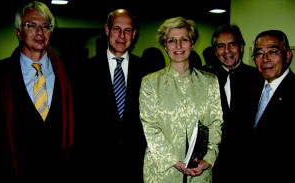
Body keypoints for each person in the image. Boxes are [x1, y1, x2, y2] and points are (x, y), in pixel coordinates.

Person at [0, 1, 75, 178]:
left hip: (61, 173)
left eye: (46, 26)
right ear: (18, 33)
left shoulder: (71, 72)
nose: (40, 32)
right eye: (31, 25)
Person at [139, 16, 223, 183]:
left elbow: (216, 122)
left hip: (200, 170)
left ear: (192, 43)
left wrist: (208, 158)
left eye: (184, 39)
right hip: (162, 170)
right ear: (165, 45)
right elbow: (150, 127)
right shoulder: (150, 82)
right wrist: (175, 161)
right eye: (172, 40)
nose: (178, 46)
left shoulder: (210, 81)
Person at [74, 9, 146, 182]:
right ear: (107, 29)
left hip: (135, 166)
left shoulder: (147, 71)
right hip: (96, 167)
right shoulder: (84, 71)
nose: (122, 35)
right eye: (116, 29)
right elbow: (79, 123)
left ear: (134, 34)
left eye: (127, 30)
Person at [202, 24, 263, 183]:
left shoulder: (258, 79)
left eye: (232, 44)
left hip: (249, 163)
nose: (227, 51)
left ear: (241, 47)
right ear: (215, 51)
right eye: (221, 46)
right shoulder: (204, 79)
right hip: (213, 163)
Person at [249, 30, 295, 183]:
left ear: (288, 55)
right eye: (259, 54)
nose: (265, 59)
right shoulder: (249, 90)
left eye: (273, 52)